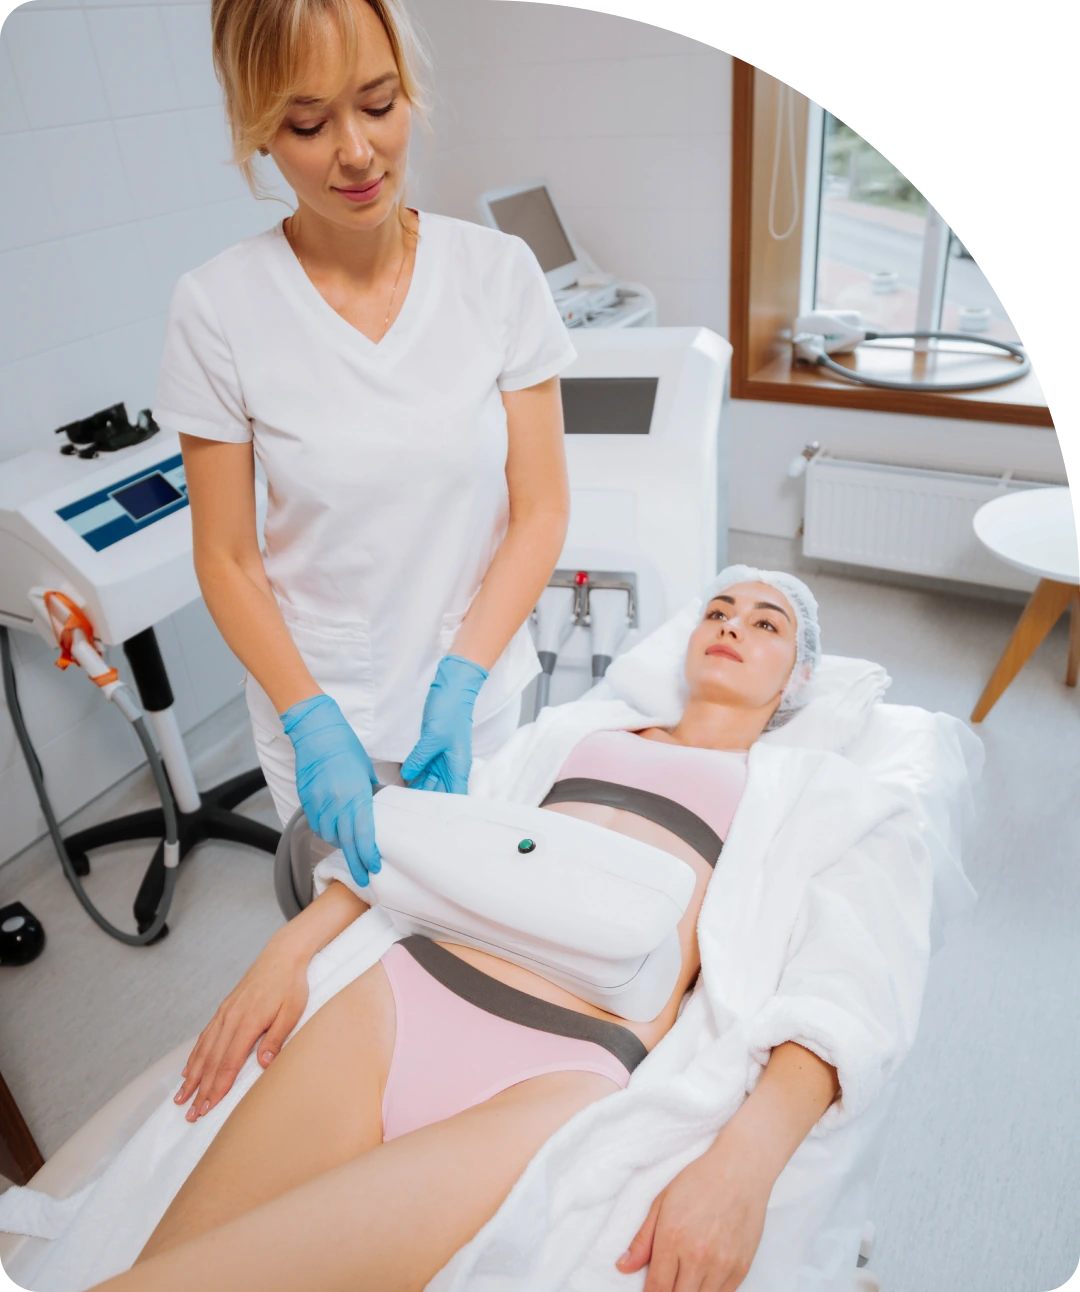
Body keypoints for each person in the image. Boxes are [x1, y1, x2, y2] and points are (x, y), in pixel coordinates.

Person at [91, 572, 842, 1292]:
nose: (733, 625)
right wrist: (287, 948)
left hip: (561, 1060)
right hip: (405, 997)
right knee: (165, 1267)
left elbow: (835, 977)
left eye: (765, 623)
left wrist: (751, 1157)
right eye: (717, 611)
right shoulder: (575, 732)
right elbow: (428, 837)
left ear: (798, 677)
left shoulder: (799, 791)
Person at [155, 0, 575, 888]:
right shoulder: (218, 307)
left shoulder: (496, 277)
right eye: (309, 123)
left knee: (484, 916)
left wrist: (461, 682)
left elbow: (540, 509)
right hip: (316, 700)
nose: (355, 151)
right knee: (355, 940)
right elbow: (227, 556)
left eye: (379, 105)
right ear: (261, 132)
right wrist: (309, 719)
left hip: (480, 691)